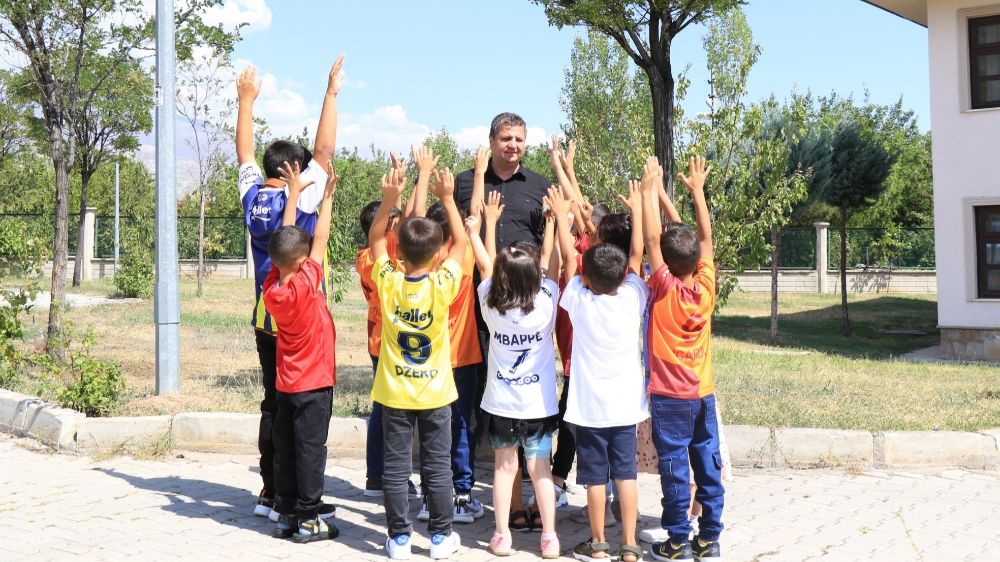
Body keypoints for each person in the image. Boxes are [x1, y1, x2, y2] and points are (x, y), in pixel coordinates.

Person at [235, 58, 343, 519]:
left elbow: (243, 154)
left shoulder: (252, 195)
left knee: (273, 400)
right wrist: (331, 93)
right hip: (300, 317)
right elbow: (324, 148)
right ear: (294, 168)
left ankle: (270, 492)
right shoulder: (298, 195)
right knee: (301, 406)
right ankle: (300, 499)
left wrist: (245, 101)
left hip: (267, 315)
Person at [368, 166, 466, 560]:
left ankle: (400, 540)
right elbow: (461, 241)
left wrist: (390, 199)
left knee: (396, 469)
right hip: (436, 392)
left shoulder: (388, 281)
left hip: (394, 391)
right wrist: (446, 197)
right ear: (438, 252)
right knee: (437, 467)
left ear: (398, 251)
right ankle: (441, 539)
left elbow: (375, 236)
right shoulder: (443, 285)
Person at [548, 184, 648, 562]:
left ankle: (598, 543)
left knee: (594, 478)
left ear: (586, 278)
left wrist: (562, 219)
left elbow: (571, 264)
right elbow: (636, 253)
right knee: (626, 475)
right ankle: (630, 545)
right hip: (625, 409)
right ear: (624, 274)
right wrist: (638, 211)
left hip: (589, 410)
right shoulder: (633, 295)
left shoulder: (579, 299)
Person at [466, 191, 561, 558]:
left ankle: (502, 535)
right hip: (538, 405)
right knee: (541, 471)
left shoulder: (491, 303)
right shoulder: (546, 302)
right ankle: (549, 537)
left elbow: (486, 265)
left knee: (504, 471)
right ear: (535, 276)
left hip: (501, 404)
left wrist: (482, 227)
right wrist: (552, 224)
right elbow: (550, 263)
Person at [639, 156, 724, 562]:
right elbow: (704, 240)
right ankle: (709, 539)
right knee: (707, 464)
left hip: (670, 398)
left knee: (674, 469)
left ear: (665, 266)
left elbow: (654, 242)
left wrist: (648, 189)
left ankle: (676, 541)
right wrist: (697, 192)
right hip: (703, 394)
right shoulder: (706, 287)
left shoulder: (663, 290)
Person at [404, 146, 485, 525]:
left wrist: (421, 177)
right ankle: (463, 493)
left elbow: (412, 220)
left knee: (432, 431)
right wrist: (474, 177)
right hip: (462, 359)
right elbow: (474, 220)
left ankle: (428, 495)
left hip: (429, 364)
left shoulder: (417, 266)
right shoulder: (460, 263)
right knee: (461, 426)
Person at [261, 161, 339, 543]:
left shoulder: (272, 288)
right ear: (302, 261)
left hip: (287, 385)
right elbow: (318, 238)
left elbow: (284, 237)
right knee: (311, 451)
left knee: (288, 450)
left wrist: (293, 195)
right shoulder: (307, 282)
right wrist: (325, 200)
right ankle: (310, 518)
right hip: (315, 383)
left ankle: (287, 513)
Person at [356, 158, 422, 502]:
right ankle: (379, 476)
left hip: (388, 342)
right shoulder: (370, 257)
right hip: (384, 344)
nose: (401, 225)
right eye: (392, 220)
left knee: (385, 409)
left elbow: (410, 217)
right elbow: (410, 219)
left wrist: (405, 180)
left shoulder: (384, 250)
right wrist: (413, 182)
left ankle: (378, 476)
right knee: (385, 410)